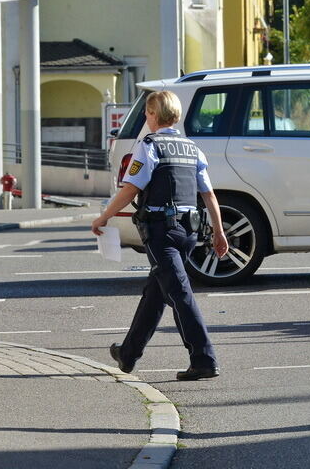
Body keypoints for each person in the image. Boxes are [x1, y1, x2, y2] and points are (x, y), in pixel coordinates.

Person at [92, 90, 229, 381]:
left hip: (161, 231)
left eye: (147, 112)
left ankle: (204, 359)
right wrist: (218, 231)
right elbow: (208, 194)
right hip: (189, 231)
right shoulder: (191, 148)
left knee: (180, 293)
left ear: (155, 115)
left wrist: (104, 217)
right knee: (155, 293)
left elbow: (131, 188)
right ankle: (128, 353)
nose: (145, 116)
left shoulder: (149, 146)